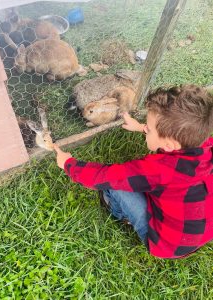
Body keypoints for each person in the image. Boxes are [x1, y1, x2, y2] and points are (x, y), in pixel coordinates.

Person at [54, 84, 213, 259]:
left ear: (169, 145)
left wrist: (68, 164)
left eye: (150, 130)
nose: (147, 130)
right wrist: (141, 128)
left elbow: (106, 177)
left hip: (166, 245)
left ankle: (120, 214)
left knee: (115, 186)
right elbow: (171, 143)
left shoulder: (158, 170)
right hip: (198, 235)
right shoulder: (205, 145)